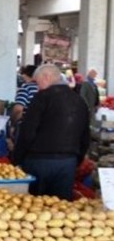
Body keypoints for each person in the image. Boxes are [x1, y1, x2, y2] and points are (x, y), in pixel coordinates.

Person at [13, 65, 90, 200]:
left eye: (37, 82)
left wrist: (16, 158)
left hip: (39, 162)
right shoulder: (79, 101)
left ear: (47, 77)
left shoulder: (42, 98)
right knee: (60, 208)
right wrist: (77, 160)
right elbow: (85, 135)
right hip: (67, 163)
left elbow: (28, 131)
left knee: (34, 207)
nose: (37, 87)